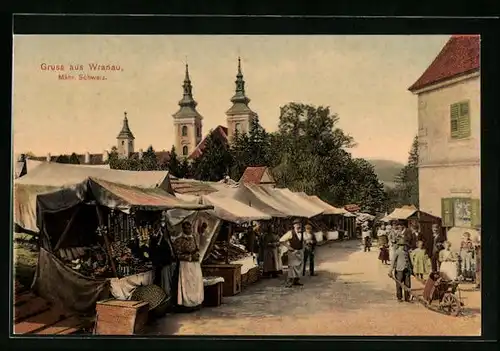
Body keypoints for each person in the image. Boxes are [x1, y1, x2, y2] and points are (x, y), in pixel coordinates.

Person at [171, 221, 204, 311]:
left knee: (195, 283)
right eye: (186, 228)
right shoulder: (179, 240)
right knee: (186, 283)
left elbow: (197, 249)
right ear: (183, 229)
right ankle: (186, 304)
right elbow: (177, 255)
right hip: (185, 265)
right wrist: (189, 257)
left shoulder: (194, 238)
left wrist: (196, 255)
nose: (188, 230)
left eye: (189, 228)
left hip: (195, 265)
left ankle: (196, 302)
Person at [280, 218, 305, 287]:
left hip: (299, 252)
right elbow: (281, 240)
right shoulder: (290, 233)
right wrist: (289, 247)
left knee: (299, 267)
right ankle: (289, 282)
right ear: (294, 226)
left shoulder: (302, 232)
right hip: (293, 253)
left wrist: (303, 248)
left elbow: (303, 241)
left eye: (299, 224)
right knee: (292, 267)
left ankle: (296, 281)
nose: (298, 226)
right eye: (297, 224)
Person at [388, 238, 413, 302]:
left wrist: (412, 269)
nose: (403, 246)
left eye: (403, 245)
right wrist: (390, 270)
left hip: (407, 269)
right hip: (399, 270)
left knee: (407, 284)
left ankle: (407, 297)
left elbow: (409, 261)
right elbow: (393, 261)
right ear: (399, 245)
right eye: (401, 245)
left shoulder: (406, 252)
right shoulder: (397, 252)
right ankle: (399, 297)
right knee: (399, 284)